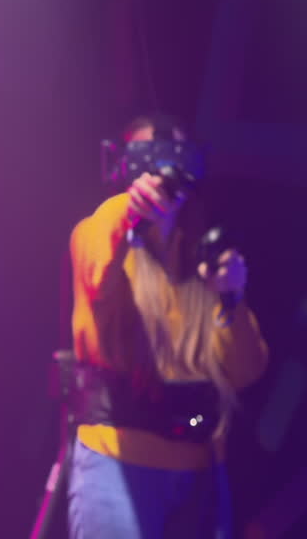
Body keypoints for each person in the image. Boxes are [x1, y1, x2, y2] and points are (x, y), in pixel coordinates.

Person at [65, 115, 270, 539]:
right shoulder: (100, 233)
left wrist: (231, 298)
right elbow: (96, 261)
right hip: (117, 464)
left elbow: (245, 370)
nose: (163, 174)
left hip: (200, 472)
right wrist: (129, 208)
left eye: (175, 158)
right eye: (149, 160)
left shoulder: (203, 260)